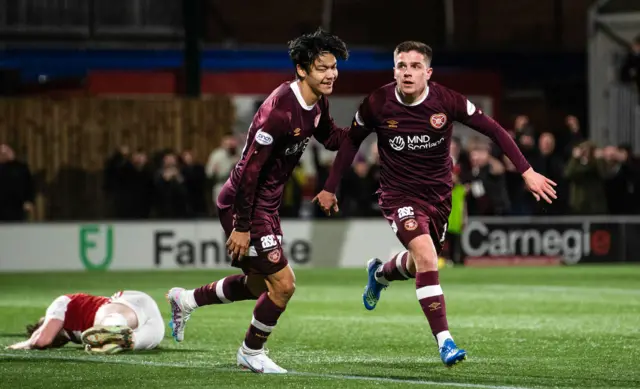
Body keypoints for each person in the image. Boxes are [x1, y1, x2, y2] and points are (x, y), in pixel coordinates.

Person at [313, 41, 557, 367]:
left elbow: (495, 130)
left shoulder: (446, 101)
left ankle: (380, 274)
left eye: (415, 66)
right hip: (399, 196)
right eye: (402, 66)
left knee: (418, 264)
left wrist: (526, 171)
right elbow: (350, 144)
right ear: (394, 70)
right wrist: (330, 188)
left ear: (428, 72)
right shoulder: (377, 102)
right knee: (427, 258)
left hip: (439, 198)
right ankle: (446, 342)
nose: (408, 72)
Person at [166, 28, 350, 374]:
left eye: (333, 67)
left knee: (257, 285)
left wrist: (368, 123)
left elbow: (333, 139)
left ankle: (186, 299)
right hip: (244, 203)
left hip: (265, 205)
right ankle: (251, 351)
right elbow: (249, 172)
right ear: (302, 70)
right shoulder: (279, 111)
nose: (331, 74)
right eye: (322, 68)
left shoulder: (316, 103)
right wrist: (242, 226)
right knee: (284, 285)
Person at [6, 291, 164, 354]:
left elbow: (42, 340)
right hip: (152, 325)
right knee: (136, 340)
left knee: (108, 319)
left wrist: (15, 346)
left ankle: (112, 329)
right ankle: (120, 338)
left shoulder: (60, 303)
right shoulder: (75, 336)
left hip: (128, 303)